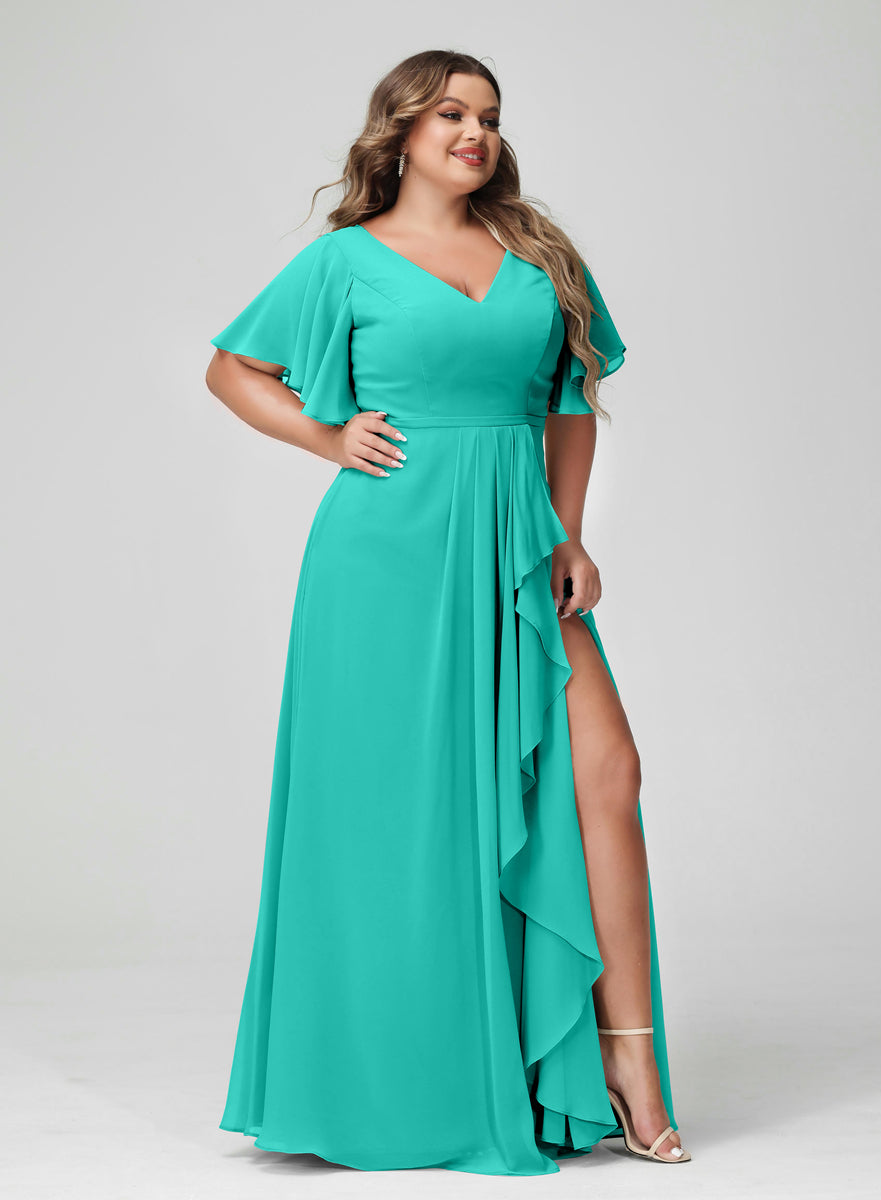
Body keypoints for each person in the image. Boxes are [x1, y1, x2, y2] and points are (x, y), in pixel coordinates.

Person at [205, 48, 691, 1176]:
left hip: (520, 547)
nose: (475, 132)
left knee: (604, 773)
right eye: (450, 114)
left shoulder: (540, 254)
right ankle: (406, 1078)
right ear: (402, 131)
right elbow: (232, 370)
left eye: (489, 116)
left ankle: (626, 1060)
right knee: (399, 819)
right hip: (385, 561)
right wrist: (327, 437)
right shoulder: (344, 261)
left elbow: (572, 397)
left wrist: (570, 532)